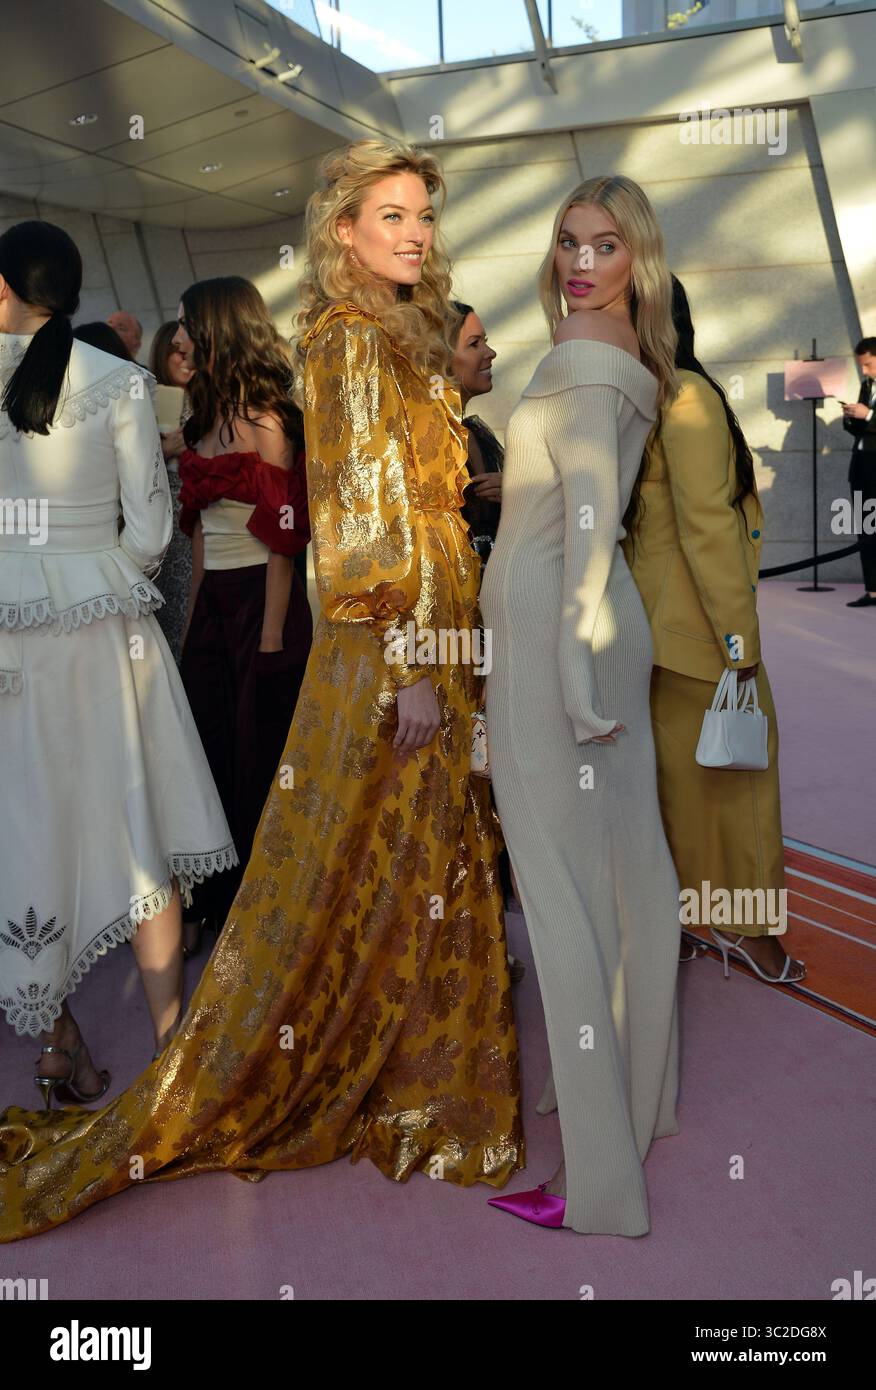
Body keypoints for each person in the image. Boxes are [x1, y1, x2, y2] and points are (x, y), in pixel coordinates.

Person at [0, 141, 523, 1244]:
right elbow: (355, 510)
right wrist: (411, 656)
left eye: (423, 213)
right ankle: (391, 1078)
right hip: (395, 642)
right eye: (389, 215)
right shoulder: (341, 341)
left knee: (428, 852)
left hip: (429, 628)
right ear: (344, 231)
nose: (414, 232)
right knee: (375, 851)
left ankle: (418, 1073)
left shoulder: (404, 333)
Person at [480, 175, 681, 1236]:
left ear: (637, 258)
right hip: (594, 637)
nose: (580, 261)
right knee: (626, 871)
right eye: (568, 240)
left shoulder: (579, 360)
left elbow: (593, 520)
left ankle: (599, 1183)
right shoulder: (633, 358)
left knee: (561, 902)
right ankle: (641, 1097)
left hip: (561, 649)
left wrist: (565, 665)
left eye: (605, 244)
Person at [0, 221, 237, 1098]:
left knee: (27, 829)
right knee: (138, 835)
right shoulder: (119, 383)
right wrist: (90, 569)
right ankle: (172, 1051)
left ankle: (58, 1039)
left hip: (8, 631)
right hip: (99, 633)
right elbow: (149, 532)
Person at [623, 275, 805, 985]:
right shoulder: (688, 398)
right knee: (743, 795)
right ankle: (755, 939)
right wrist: (741, 644)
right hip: (700, 635)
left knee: (671, 792)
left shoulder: (637, 398)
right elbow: (708, 532)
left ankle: (671, 927)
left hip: (650, 631)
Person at [173, 277, 313, 945]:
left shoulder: (272, 420)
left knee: (265, 758)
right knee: (212, 752)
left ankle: (274, 910)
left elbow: (285, 537)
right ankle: (222, 901)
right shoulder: (197, 424)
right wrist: (193, 622)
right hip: (217, 606)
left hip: (266, 600)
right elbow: (199, 542)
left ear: (217, 331)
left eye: (186, 324)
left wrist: (273, 634)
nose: (176, 337)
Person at [148, 320, 194, 663]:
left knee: (189, 610)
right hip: (156, 523)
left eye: (189, 353)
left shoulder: (214, 401)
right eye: (175, 353)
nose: (184, 360)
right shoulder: (144, 399)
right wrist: (163, 451)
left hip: (198, 523)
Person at [841, 336, 876, 607]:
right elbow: (861, 431)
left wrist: (869, 416)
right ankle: (873, 590)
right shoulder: (867, 387)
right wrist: (852, 418)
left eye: (868, 364)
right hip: (862, 468)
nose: (864, 371)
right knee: (866, 530)